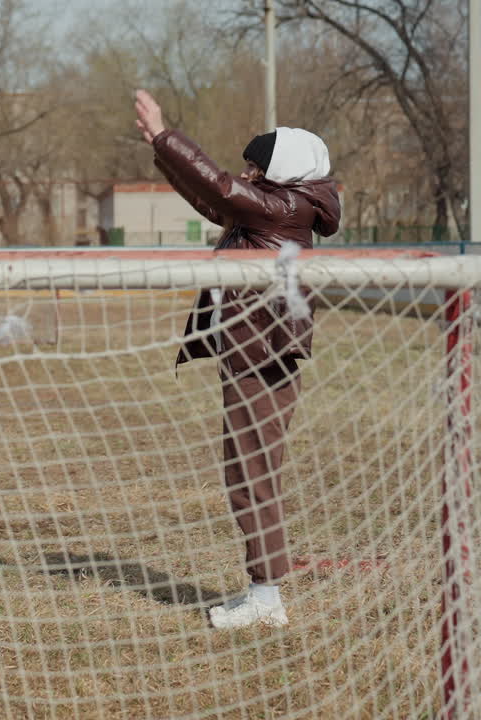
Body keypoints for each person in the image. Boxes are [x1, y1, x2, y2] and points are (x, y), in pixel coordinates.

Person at [132, 90, 341, 629]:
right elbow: (214, 200)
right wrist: (164, 155)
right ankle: (263, 592)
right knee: (245, 471)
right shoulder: (271, 210)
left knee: (254, 474)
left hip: (261, 357)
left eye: (256, 163)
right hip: (247, 354)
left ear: (282, 172)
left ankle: (265, 598)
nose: (247, 169)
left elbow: (223, 187)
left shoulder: (288, 207)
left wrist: (165, 135)